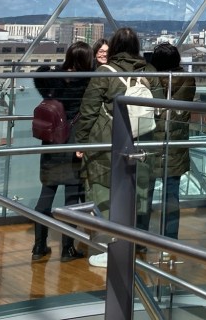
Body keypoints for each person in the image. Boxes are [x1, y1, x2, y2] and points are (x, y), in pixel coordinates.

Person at [74, 26, 148, 268]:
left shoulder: (104, 73)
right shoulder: (147, 71)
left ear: (114, 46)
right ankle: (133, 242)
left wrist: (81, 142)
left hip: (105, 141)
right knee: (133, 192)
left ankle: (110, 247)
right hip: (139, 139)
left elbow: (88, 111)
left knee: (103, 191)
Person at [32, 41, 92, 262]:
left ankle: (39, 245)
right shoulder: (88, 81)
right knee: (72, 198)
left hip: (52, 142)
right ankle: (67, 248)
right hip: (74, 141)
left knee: (46, 193)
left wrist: (49, 69)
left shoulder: (55, 78)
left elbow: (39, 76)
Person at [139, 42, 196, 245]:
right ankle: (170, 240)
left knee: (145, 193)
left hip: (151, 143)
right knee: (171, 195)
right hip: (175, 144)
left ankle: (140, 238)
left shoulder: (149, 79)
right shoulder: (187, 80)